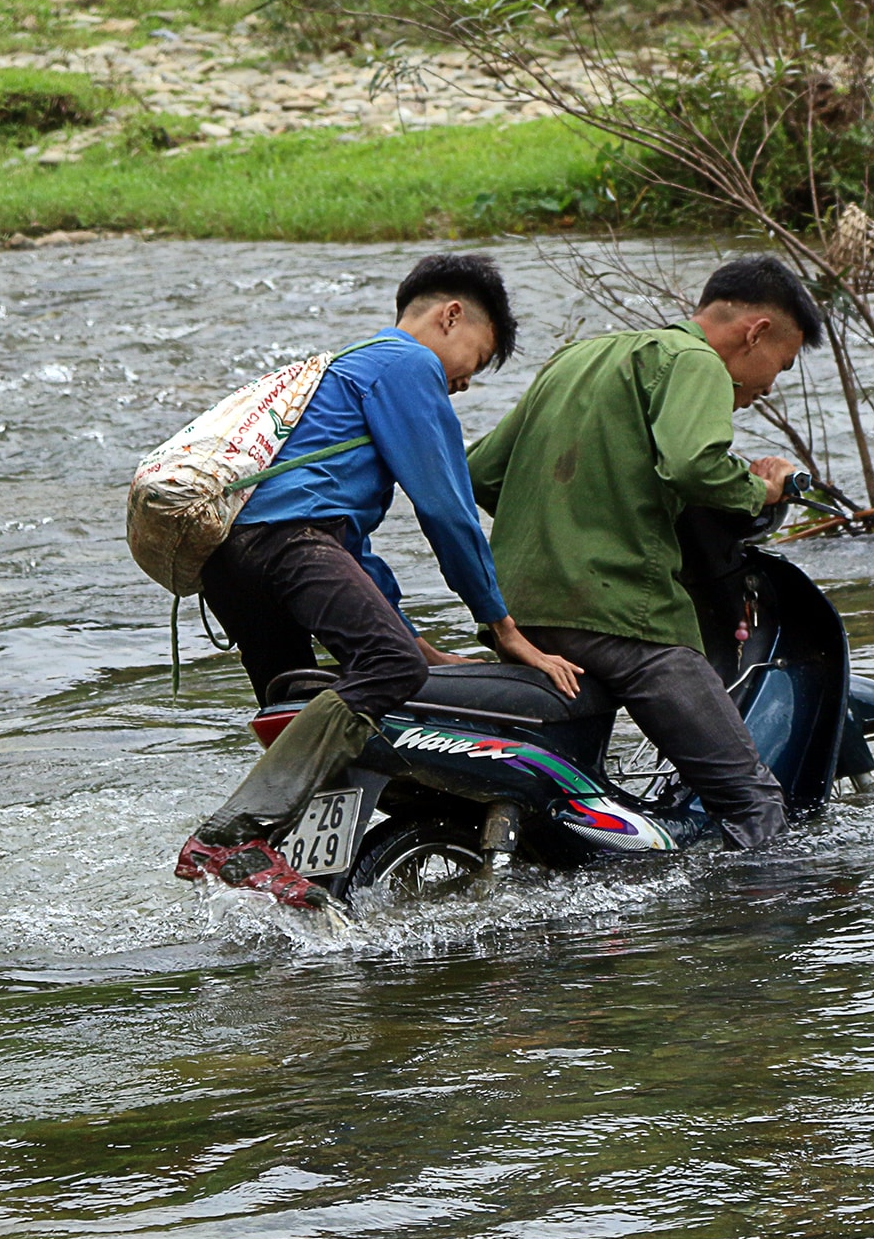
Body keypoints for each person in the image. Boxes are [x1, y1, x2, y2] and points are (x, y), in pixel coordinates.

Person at [176, 253, 583, 908]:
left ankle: (286, 871)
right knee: (389, 668)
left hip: (232, 560)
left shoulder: (347, 371)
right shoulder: (406, 363)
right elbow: (447, 509)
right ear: (450, 316)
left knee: (306, 695)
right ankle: (229, 834)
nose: (461, 386)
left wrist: (427, 649)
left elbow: (353, 559)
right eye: (471, 365)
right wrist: (503, 630)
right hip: (289, 543)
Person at [466, 255, 820, 850]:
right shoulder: (696, 362)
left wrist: (564, 522)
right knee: (751, 798)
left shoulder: (576, 358)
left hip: (521, 618)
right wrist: (759, 487)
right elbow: (692, 463)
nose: (766, 388)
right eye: (779, 366)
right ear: (755, 331)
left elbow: (478, 471)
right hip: (622, 621)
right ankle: (756, 936)